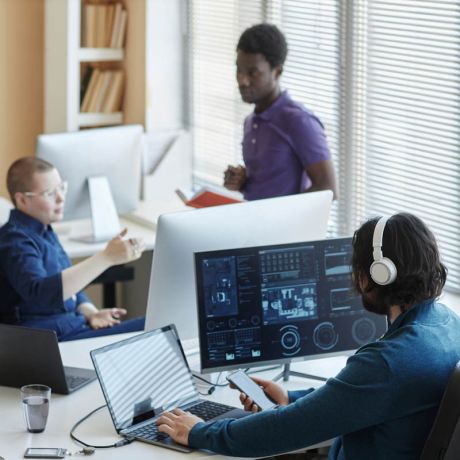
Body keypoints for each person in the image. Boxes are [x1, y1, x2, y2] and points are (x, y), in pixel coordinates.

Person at [156, 213, 460, 459]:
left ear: (378, 274)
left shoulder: (388, 362)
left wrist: (198, 432)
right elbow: (360, 397)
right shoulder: (447, 323)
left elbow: (286, 430)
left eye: (356, 268)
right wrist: (291, 397)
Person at [0, 157, 145, 341]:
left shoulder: (44, 230)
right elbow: (42, 294)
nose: (61, 198)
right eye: (49, 193)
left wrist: (90, 312)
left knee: (157, 325)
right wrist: (106, 257)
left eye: (61, 188)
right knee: (155, 327)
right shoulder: (14, 241)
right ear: (22, 200)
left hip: (75, 327)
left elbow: (70, 287)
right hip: (49, 341)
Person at [224, 23, 337, 201]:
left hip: (284, 228)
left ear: (277, 72)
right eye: (239, 69)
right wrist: (243, 180)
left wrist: (278, 216)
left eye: (252, 73)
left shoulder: (299, 121)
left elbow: (327, 188)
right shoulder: (250, 121)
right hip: (252, 223)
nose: (242, 80)